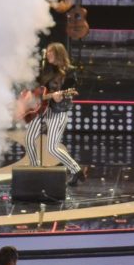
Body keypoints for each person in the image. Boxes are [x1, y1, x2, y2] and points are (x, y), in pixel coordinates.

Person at [20, 44, 80, 178]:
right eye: (47, 53)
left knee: (52, 148)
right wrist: (30, 94)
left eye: (50, 53)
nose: (47, 56)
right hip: (42, 110)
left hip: (57, 112)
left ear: (58, 54)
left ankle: (76, 170)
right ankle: (35, 167)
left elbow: (68, 93)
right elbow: (37, 88)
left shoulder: (70, 72)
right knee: (29, 138)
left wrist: (59, 97)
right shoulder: (46, 70)